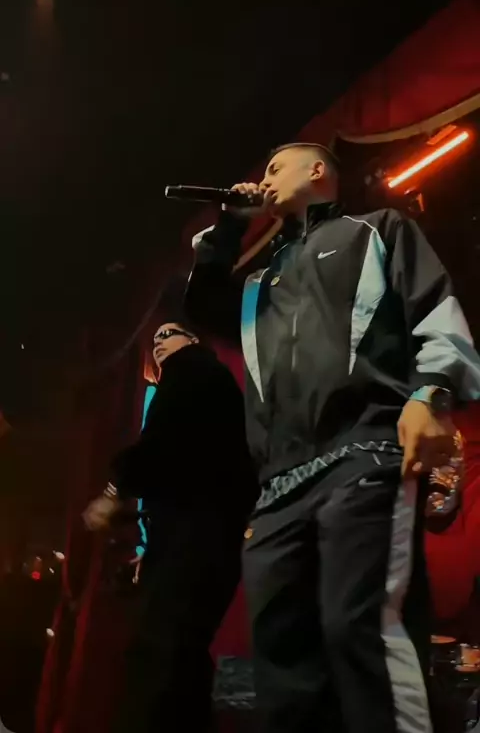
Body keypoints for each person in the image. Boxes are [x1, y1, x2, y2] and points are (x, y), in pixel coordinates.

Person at [184, 142, 480, 733]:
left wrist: (432, 391)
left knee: (360, 625)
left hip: (362, 452)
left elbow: (433, 307)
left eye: (277, 167)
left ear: (318, 170)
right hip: (278, 486)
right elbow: (202, 304)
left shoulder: (377, 230)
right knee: (282, 651)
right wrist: (229, 226)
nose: (266, 178)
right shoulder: (259, 282)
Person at [83, 319, 258, 733]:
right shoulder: (210, 382)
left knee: (162, 658)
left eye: (169, 333)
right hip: (205, 542)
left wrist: (114, 490)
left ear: (192, 340)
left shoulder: (191, 370)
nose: (159, 342)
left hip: (196, 541)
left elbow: (160, 443)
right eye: (155, 337)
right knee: (179, 656)